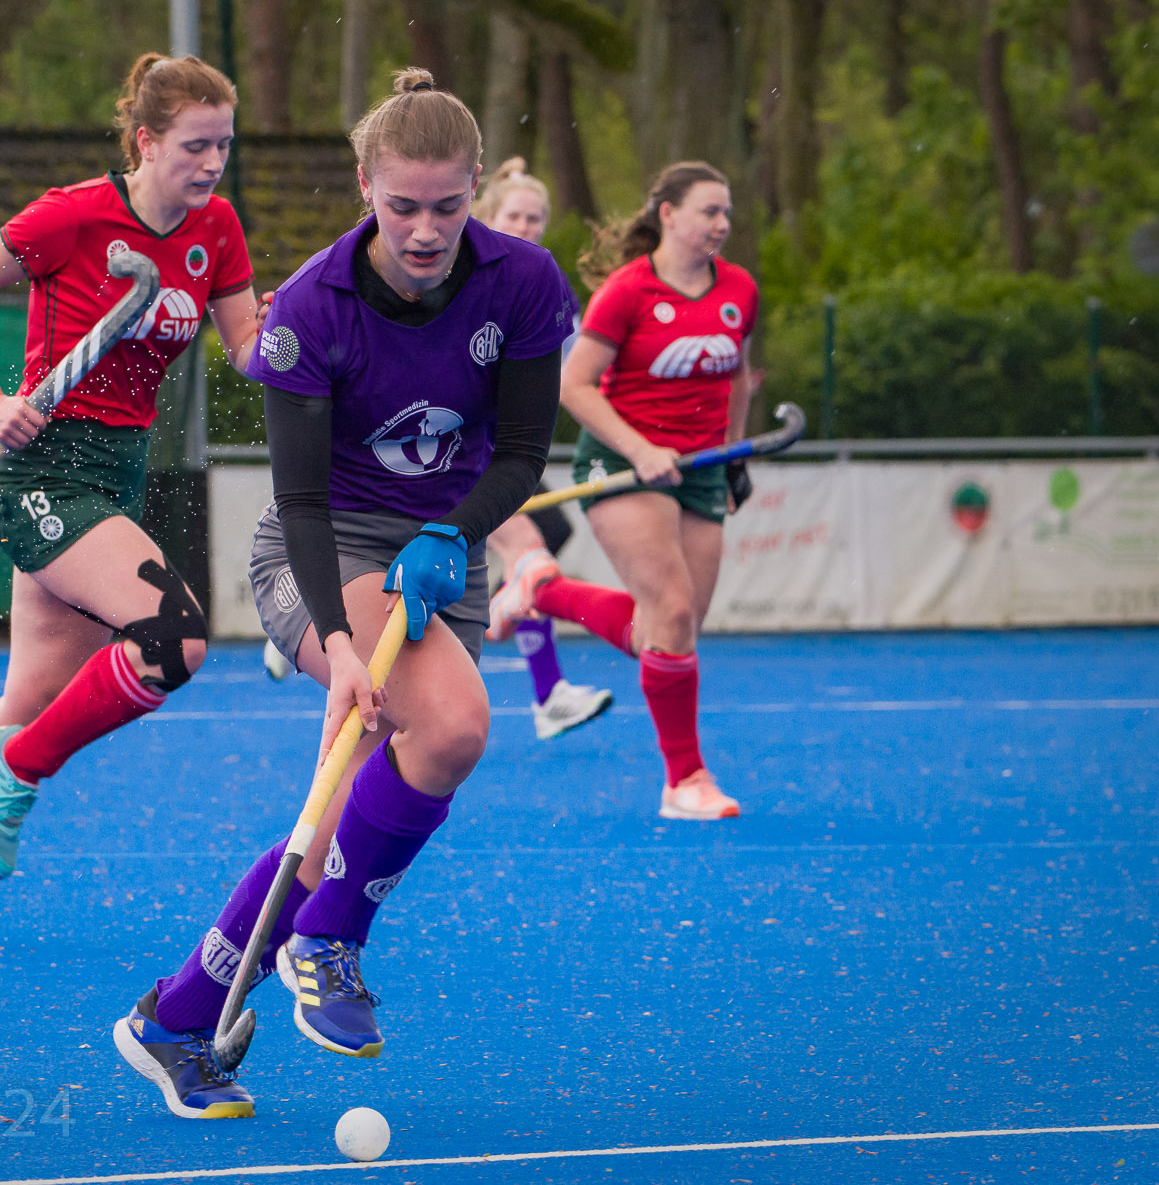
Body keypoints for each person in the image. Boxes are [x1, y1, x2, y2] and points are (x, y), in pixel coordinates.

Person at [114, 69, 577, 1118]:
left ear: (475, 187)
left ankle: (174, 1018)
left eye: (447, 206)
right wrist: (335, 644)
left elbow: (519, 455)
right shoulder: (310, 311)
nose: (425, 230)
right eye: (402, 205)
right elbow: (302, 503)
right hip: (321, 550)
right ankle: (327, 937)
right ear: (365, 184)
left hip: (438, 553)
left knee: (332, 823)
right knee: (451, 726)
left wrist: (451, 532)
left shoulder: (522, 282)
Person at [0, 54, 266, 946]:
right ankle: (21, 768)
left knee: (30, 697)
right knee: (175, 638)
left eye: (224, 145)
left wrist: (312, 324)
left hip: (115, 476)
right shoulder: (74, 213)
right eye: (195, 146)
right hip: (43, 471)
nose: (212, 163)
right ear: (146, 141)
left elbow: (248, 348)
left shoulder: (218, 228)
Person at [487, 161, 756, 821]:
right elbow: (574, 386)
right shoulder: (627, 291)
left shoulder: (739, 289)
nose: (721, 223)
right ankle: (684, 780)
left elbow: (738, 377)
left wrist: (734, 455)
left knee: (672, 629)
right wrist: (640, 449)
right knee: (670, 611)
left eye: (726, 212)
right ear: (668, 214)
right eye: (709, 211)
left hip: (701, 468)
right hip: (621, 465)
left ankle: (540, 591)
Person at [469, 157, 612, 740]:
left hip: (505, 451)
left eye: (535, 218)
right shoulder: (460, 270)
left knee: (542, 538)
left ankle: (545, 686)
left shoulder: (546, 283)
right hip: (455, 448)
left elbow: (582, 369)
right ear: (488, 216)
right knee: (528, 550)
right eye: (515, 216)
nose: (526, 227)